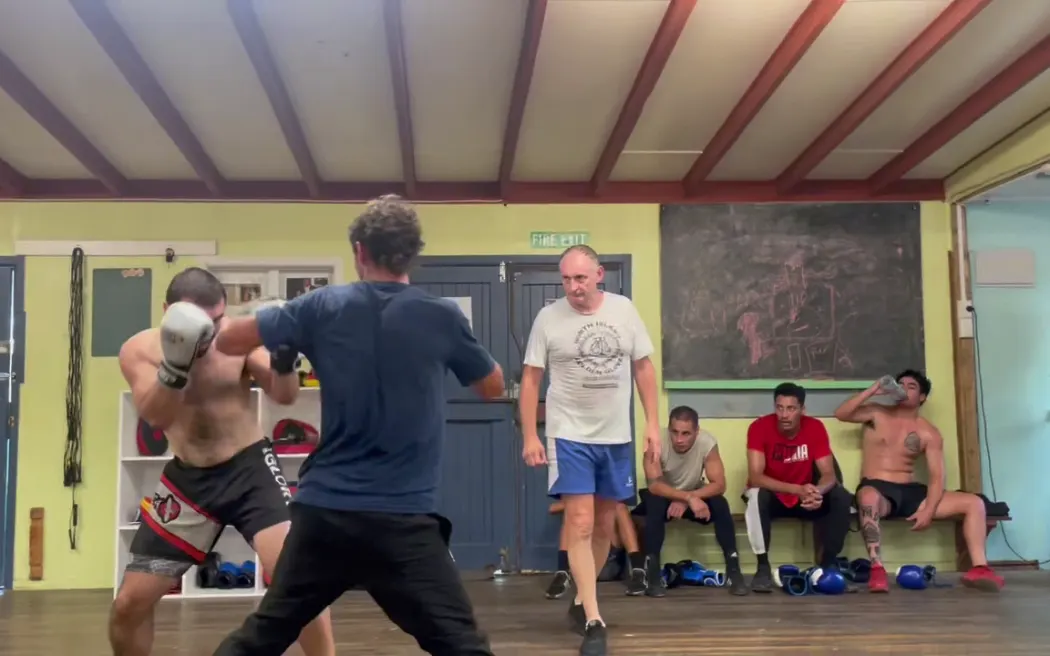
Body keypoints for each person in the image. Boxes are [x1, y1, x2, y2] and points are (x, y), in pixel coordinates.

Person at [211, 195, 505, 655]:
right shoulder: (441, 315)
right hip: (402, 524)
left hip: (325, 515)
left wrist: (284, 336)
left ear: (359, 252)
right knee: (463, 646)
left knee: (263, 635)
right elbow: (493, 387)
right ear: (412, 254)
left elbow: (229, 340)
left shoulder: (319, 306)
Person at [111, 267, 335, 656]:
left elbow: (283, 395)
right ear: (167, 311)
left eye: (214, 322)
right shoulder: (139, 349)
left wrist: (284, 359)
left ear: (224, 313)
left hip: (250, 472)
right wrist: (176, 364)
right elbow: (156, 416)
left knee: (298, 581)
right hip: (187, 482)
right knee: (129, 605)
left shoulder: (238, 339)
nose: (207, 333)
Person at [520, 245, 661, 656]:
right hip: (569, 434)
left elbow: (643, 368)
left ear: (599, 274)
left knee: (604, 527)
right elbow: (531, 379)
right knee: (579, 523)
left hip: (615, 435)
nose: (573, 287)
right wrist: (531, 434)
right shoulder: (548, 318)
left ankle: (581, 600)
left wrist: (652, 424)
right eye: (565, 279)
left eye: (580, 278)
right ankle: (595, 620)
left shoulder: (623, 310)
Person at [834, 370, 1005, 592]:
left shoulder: (928, 432)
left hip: (911, 491)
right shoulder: (876, 413)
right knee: (867, 497)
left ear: (922, 397)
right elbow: (841, 413)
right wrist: (874, 389)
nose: (903, 389)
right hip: (878, 489)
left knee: (974, 503)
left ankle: (980, 568)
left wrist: (929, 509)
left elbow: (936, 477)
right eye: (900, 384)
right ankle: (877, 570)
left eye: (911, 386)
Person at [744, 382, 853, 592]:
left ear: (802, 410)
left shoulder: (815, 427)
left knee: (841, 496)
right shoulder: (759, 428)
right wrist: (797, 489)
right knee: (756, 496)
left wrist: (816, 493)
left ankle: (827, 564)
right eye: (779, 407)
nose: (784, 414)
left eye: (791, 408)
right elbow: (756, 477)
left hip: (806, 498)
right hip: (775, 496)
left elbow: (829, 475)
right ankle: (763, 567)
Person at [632, 405, 747, 596]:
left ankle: (734, 571)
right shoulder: (655, 443)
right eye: (675, 432)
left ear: (697, 431)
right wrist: (686, 497)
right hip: (663, 498)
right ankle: (652, 575)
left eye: (686, 433)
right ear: (668, 429)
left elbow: (719, 484)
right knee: (654, 503)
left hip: (693, 496)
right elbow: (655, 486)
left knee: (720, 503)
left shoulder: (707, 443)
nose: (679, 439)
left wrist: (690, 498)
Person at [544, 501, 646, 599]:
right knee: (572, 511)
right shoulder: (581, 495)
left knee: (619, 508)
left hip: (609, 564)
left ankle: (638, 571)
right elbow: (552, 508)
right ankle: (562, 573)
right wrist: (587, 502)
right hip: (584, 567)